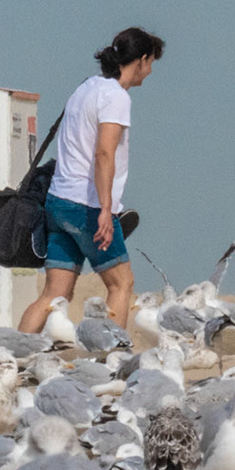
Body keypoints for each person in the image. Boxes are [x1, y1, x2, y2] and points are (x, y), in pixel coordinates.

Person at [18, 28, 165, 333]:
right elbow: (103, 154)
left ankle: (9, 355)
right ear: (140, 60)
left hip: (57, 202)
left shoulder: (85, 89)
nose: (150, 72)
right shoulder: (115, 97)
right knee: (122, 284)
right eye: (150, 63)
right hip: (86, 206)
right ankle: (110, 360)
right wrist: (106, 210)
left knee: (53, 294)